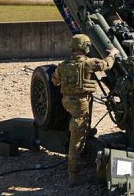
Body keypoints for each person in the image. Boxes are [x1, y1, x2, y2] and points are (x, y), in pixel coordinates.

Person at [51, 34, 118, 185]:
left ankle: (80, 146)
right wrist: (112, 53)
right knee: (77, 140)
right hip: (80, 104)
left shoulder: (63, 65)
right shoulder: (89, 63)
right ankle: (73, 176)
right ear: (86, 47)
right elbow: (106, 65)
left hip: (67, 102)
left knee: (78, 129)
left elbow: (54, 81)